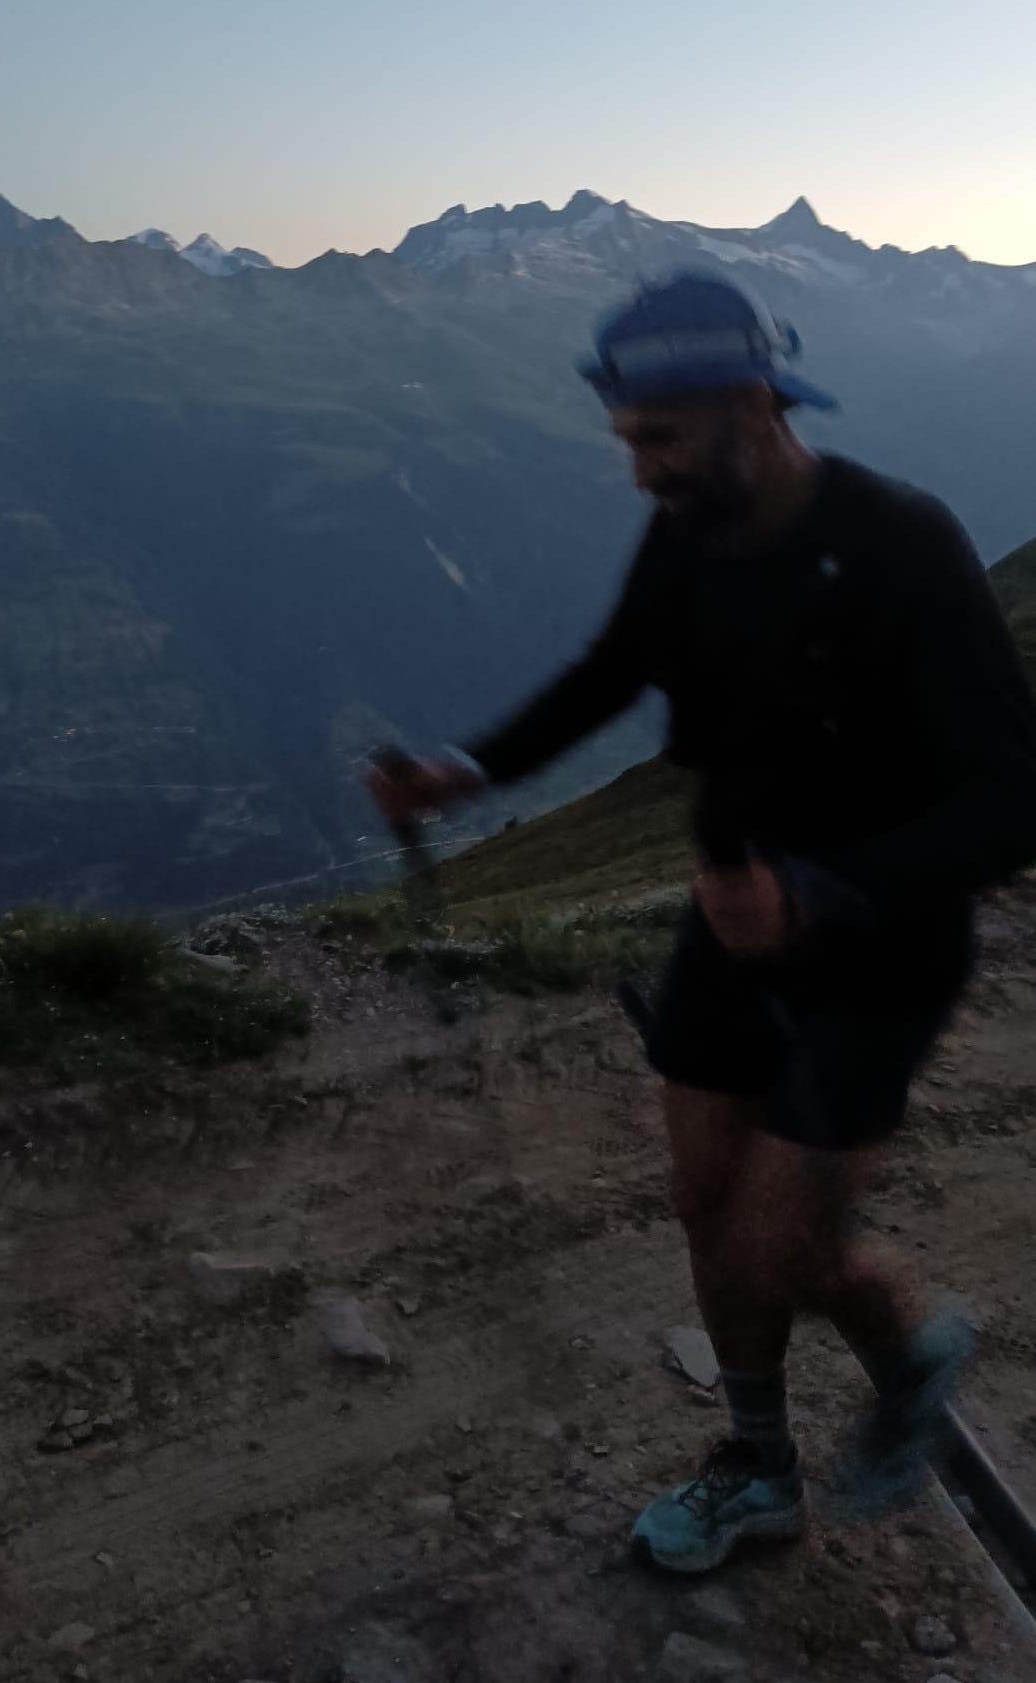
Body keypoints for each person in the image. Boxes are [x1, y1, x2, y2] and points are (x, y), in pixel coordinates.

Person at [365, 270, 1036, 1574]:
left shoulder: (901, 541)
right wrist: (467, 769)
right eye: (629, 441)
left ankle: (911, 1343)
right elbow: (611, 668)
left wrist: (817, 892)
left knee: (783, 1244)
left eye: (659, 439)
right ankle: (756, 1468)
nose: (641, 472)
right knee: (703, 1200)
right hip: (731, 917)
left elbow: (1016, 798)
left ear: (753, 405)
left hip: (880, 944)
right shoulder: (691, 530)